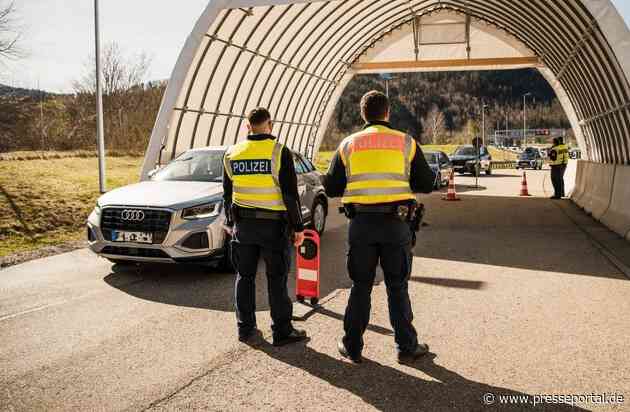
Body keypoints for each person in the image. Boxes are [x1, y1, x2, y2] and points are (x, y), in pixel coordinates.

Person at [323, 90, 435, 364]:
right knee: (397, 286)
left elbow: (331, 186)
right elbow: (426, 183)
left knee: (360, 286)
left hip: (361, 224)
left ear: (363, 114)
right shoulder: (405, 143)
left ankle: (352, 346)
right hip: (396, 225)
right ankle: (406, 348)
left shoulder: (348, 144)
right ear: (387, 113)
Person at [222, 107, 307, 346]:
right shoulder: (279, 152)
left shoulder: (232, 153)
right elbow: (290, 195)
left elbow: (227, 195)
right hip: (273, 228)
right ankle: (282, 331)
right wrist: (298, 227)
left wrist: (230, 223)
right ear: (271, 124)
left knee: (244, 277)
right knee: (276, 279)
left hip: (243, 226)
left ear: (247, 126)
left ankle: (245, 329)